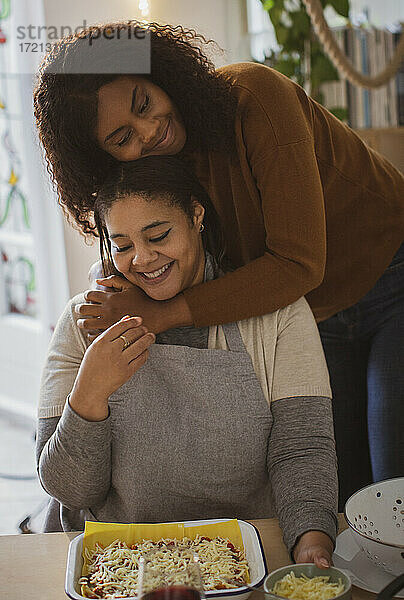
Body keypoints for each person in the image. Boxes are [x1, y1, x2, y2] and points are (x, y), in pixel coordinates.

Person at [33, 22, 404, 509]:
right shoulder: (161, 169)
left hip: (391, 273)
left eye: (144, 103)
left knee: (395, 480)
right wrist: (116, 279)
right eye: (123, 137)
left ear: (161, 74)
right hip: (313, 313)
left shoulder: (256, 97)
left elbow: (297, 265)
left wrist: (160, 314)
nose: (149, 131)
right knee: (348, 492)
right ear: (102, 160)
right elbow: (143, 238)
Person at [37, 156, 337, 569]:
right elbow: (71, 492)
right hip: (114, 566)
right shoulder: (81, 321)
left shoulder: (277, 314)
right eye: (122, 246)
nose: (141, 260)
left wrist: (310, 540)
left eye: (158, 235)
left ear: (196, 215)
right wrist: (88, 395)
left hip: (242, 558)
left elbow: (301, 448)